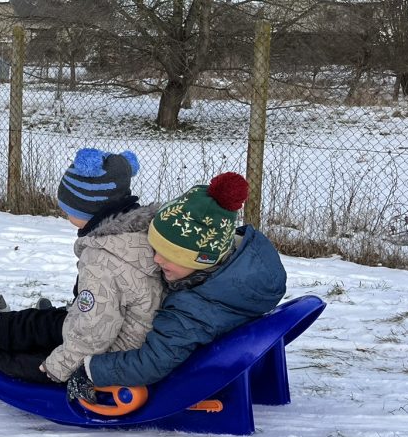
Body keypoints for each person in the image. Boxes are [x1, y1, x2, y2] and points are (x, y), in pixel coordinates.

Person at [0, 148, 165, 384]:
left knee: (40, 348)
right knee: (47, 322)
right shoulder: (135, 236)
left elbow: (93, 332)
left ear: (89, 209)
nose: (65, 214)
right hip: (131, 338)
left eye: (69, 210)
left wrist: (60, 365)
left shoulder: (103, 258)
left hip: (109, 358)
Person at [63, 172, 288, 403]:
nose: (157, 259)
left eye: (169, 255)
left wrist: (91, 370)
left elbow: (152, 362)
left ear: (201, 259)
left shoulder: (193, 311)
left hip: (166, 372)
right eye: (155, 249)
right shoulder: (237, 270)